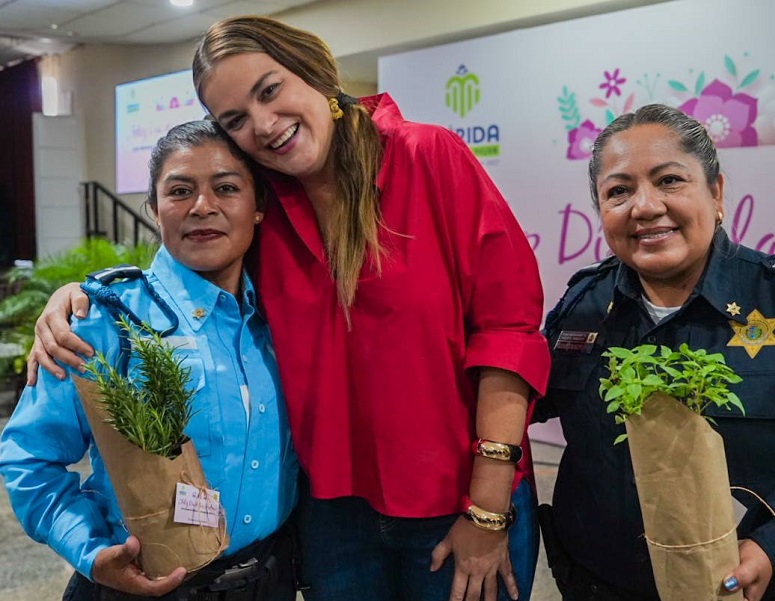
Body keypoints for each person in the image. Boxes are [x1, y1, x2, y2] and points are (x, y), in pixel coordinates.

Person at [28, 16, 550, 601]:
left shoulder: (425, 157)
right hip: (332, 517)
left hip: (459, 498)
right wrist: (79, 296)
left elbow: (508, 329)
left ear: (313, 70)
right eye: (236, 120)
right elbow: (186, 267)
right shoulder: (267, 207)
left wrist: (488, 503)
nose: (264, 125)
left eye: (269, 90)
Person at [534, 104, 775, 601]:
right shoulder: (583, 306)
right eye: (618, 191)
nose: (643, 206)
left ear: (717, 192)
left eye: (668, 180)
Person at [1, 120, 300, 601]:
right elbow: (30, 457)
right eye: (180, 190)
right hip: (143, 587)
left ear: (258, 206)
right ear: (155, 210)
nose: (203, 206)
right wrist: (93, 552)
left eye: (226, 187)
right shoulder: (101, 319)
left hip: (269, 580)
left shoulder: (283, 315)